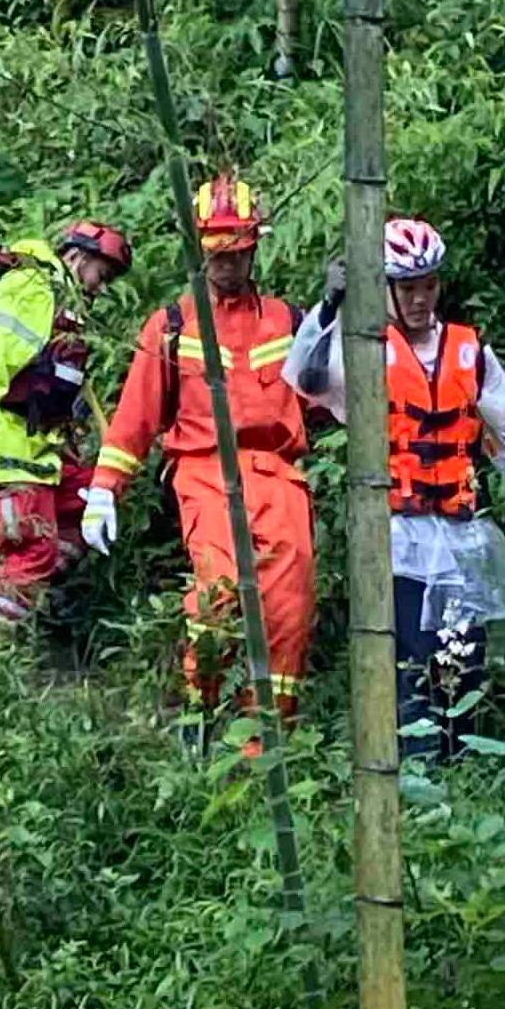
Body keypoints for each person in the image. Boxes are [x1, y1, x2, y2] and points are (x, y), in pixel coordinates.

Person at [285, 216, 505, 755]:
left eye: (428, 285)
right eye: (407, 287)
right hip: (397, 537)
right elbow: (307, 378)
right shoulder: (368, 348)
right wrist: (331, 307)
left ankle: (462, 764)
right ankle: (416, 775)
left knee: (463, 658)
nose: (419, 299)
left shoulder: (467, 350)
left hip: (460, 533)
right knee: (410, 661)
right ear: (386, 289)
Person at [83, 178, 317, 730]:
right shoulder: (172, 326)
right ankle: (201, 720)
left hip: (280, 474)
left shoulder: (289, 321)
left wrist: (334, 317)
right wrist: (102, 490)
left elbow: (331, 397)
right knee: (216, 595)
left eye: (236, 254)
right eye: (217, 255)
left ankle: (269, 738)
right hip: (205, 472)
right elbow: (135, 416)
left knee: (290, 606)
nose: (227, 267)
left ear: (254, 247)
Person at [0, 220, 134, 648]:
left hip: (36, 450)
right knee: (31, 551)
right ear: (76, 258)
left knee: (90, 494)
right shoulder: (31, 286)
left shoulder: (58, 302)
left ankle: (33, 600)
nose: (100, 288)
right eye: (101, 275)